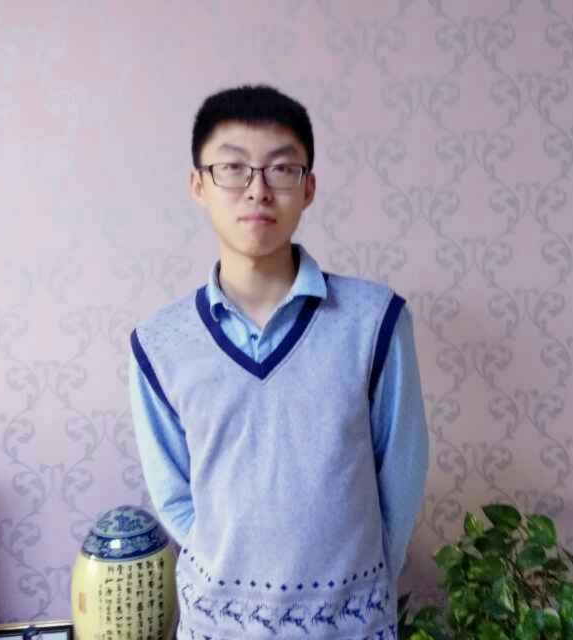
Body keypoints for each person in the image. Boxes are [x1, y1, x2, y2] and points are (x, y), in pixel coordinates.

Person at [129, 84, 429, 640]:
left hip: (351, 626)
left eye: (282, 169)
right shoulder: (159, 343)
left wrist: (356, 595)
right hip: (217, 627)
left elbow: (401, 481)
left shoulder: (375, 320)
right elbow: (174, 496)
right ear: (198, 185)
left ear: (308, 187)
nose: (258, 190)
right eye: (233, 169)